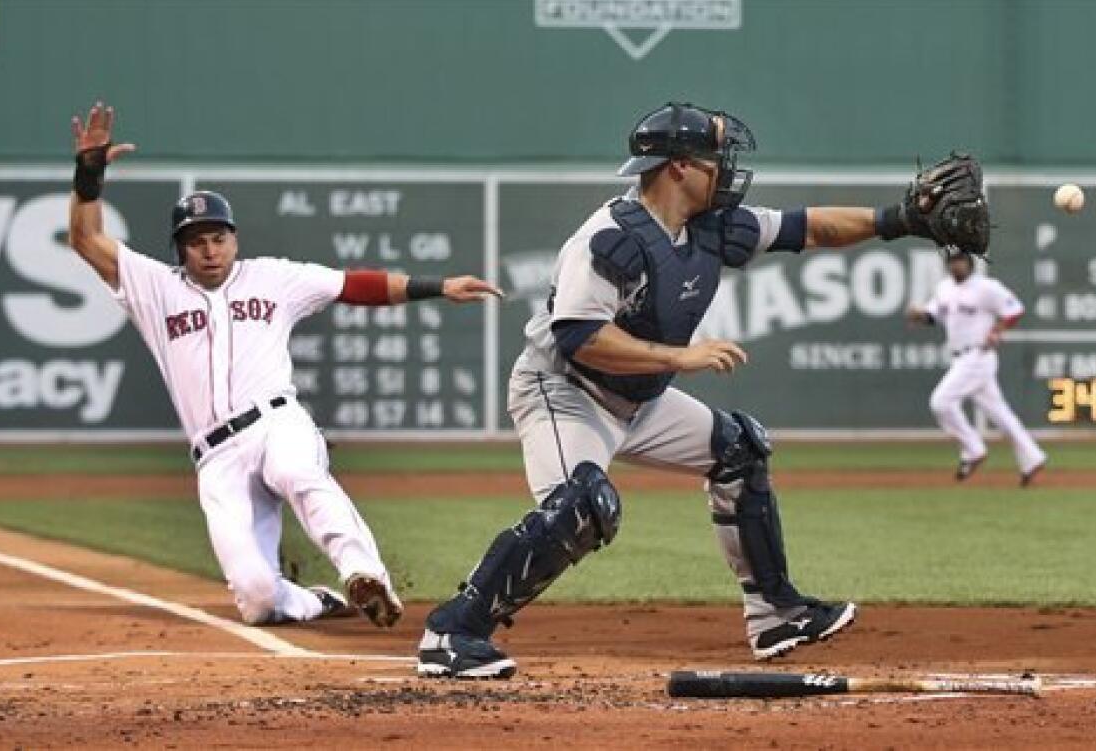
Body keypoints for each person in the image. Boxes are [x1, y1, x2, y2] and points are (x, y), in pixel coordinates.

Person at [415, 103, 980, 679]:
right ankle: (453, 631)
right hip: (566, 390)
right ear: (679, 167)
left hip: (639, 396)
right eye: (716, 159)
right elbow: (579, 338)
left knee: (739, 448)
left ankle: (776, 613)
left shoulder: (709, 227)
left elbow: (807, 228)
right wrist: (678, 357)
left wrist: (899, 219)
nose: (727, 170)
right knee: (582, 507)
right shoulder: (609, 238)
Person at [66, 102, 502, 627]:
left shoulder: (272, 277)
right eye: (196, 242)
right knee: (256, 600)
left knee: (297, 471)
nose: (209, 250)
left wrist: (439, 288)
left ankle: (365, 575)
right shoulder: (155, 289)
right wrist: (88, 174)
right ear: (180, 250)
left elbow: (353, 286)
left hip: (275, 421)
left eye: (218, 237)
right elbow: (86, 240)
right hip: (216, 456)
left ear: (234, 238)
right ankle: (316, 600)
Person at [907, 251, 1046, 485]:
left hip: (977, 356)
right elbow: (932, 316)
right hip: (960, 357)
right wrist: (918, 315)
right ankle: (1032, 457)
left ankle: (973, 449)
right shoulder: (945, 288)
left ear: (969, 263)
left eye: (960, 260)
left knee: (940, 402)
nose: (955, 265)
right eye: (952, 261)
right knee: (1000, 414)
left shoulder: (986, 287)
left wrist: (997, 331)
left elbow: (1014, 309)